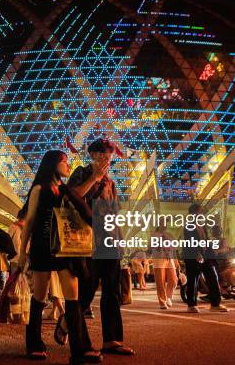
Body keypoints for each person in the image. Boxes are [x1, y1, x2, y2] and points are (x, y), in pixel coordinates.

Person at [18, 149, 102, 364]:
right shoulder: (39, 188)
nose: (68, 165)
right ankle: (34, 344)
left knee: (72, 297)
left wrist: (95, 179)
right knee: (39, 295)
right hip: (42, 246)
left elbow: (81, 201)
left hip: (66, 248)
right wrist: (22, 253)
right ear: (53, 164)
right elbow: (29, 222)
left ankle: (79, 349)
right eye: (64, 162)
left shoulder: (65, 189)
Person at [68, 138, 135, 356]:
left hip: (109, 242)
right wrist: (93, 178)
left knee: (111, 291)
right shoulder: (81, 172)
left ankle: (112, 340)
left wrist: (121, 240)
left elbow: (115, 215)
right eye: (104, 154)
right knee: (86, 290)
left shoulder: (110, 183)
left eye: (110, 155)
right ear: (93, 155)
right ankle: (70, 323)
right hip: (87, 241)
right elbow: (71, 198)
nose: (108, 159)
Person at [183, 204, 228, 313]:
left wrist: (212, 251)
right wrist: (197, 254)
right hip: (193, 257)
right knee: (193, 280)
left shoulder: (202, 226)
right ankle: (191, 305)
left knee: (213, 277)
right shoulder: (189, 225)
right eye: (200, 212)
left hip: (206, 256)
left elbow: (206, 240)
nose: (202, 214)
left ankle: (215, 304)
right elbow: (190, 241)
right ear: (193, 213)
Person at [148, 226, 178, 309]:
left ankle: (168, 297)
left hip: (169, 258)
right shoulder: (153, 235)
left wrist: (175, 259)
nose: (164, 225)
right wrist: (160, 241)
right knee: (160, 281)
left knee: (173, 279)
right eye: (162, 222)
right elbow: (150, 248)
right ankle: (162, 301)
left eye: (165, 223)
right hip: (158, 259)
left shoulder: (169, 234)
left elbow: (174, 248)